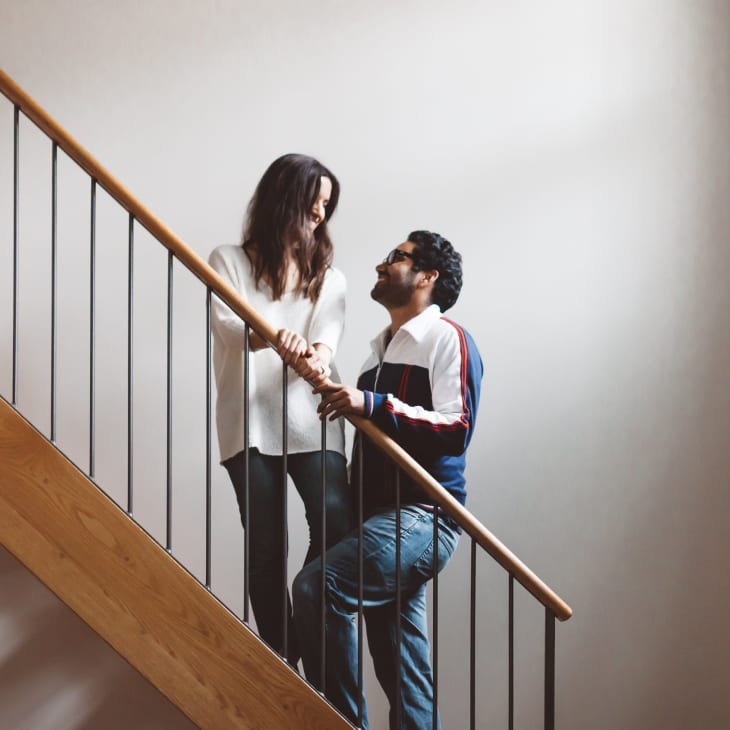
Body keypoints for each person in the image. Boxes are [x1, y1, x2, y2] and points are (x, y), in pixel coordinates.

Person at [292, 230, 483, 728]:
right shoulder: (376, 353)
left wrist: (373, 404)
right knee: (404, 667)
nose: (382, 264)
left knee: (319, 587)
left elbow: (456, 427)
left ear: (427, 277)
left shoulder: (448, 339)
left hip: (423, 518)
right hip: (380, 521)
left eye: (396, 258)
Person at [208, 153, 352, 664]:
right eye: (314, 204)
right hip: (249, 422)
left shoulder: (328, 276)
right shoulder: (228, 260)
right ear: (285, 199)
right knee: (267, 547)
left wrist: (317, 354)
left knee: (337, 527)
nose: (319, 217)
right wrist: (273, 336)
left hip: (311, 419)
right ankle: (284, 660)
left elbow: (327, 338)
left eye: (326, 209)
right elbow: (229, 327)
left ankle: (312, 633)